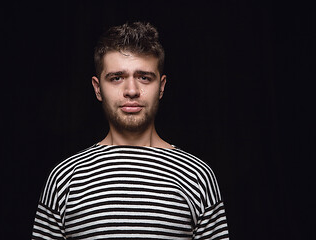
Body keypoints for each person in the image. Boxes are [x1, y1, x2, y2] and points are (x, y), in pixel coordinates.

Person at [32, 21, 229, 240]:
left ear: (161, 87)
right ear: (98, 89)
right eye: (117, 78)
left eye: (144, 77)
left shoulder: (197, 176)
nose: (132, 91)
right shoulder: (64, 179)